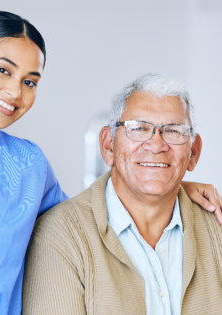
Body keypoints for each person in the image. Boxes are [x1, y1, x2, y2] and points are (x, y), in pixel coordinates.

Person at [0, 12, 219, 315]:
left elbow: (89, 218)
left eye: (30, 82)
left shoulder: (28, 163)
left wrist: (164, 185)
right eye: (3, 70)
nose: (15, 91)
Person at [23, 73, 222, 314]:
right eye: (138, 128)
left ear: (193, 153)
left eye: (174, 131)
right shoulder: (60, 234)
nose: (157, 145)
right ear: (109, 146)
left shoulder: (216, 226)